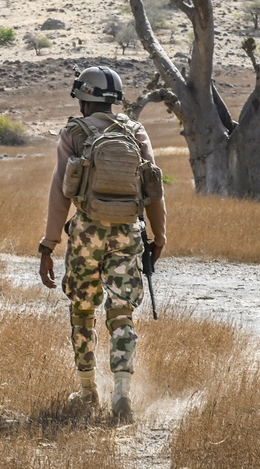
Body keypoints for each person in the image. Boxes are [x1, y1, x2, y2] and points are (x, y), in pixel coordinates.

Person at [38, 65, 167, 423]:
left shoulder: (73, 133)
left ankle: (87, 391)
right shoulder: (135, 131)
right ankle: (122, 391)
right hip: (129, 231)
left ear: (84, 98)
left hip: (85, 233)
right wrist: (159, 236)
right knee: (122, 310)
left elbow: (59, 195)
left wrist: (48, 245)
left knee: (82, 310)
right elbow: (154, 189)